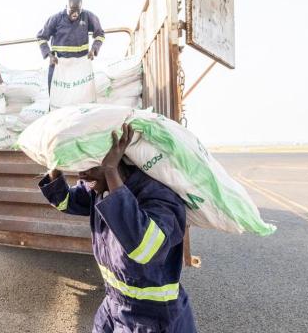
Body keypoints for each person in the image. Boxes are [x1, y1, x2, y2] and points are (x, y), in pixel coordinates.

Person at [38, 124, 196, 333]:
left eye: (91, 167)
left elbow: (146, 248)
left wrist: (110, 171)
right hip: (114, 306)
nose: (82, 175)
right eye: (81, 167)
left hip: (153, 319)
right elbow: (65, 201)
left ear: (117, 158)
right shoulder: (98, 188)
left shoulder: (159, 196)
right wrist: (54, 164)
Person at [36, 0, 105, 91]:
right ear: (66, 7)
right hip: (59, 64)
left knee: (80, 94)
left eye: (78, 11)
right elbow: (41, 37)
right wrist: (49, 55)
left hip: (80, 64)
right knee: (57, 95)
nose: (75, 14)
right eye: (72, 11)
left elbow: (100, 34)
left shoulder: (87, 16)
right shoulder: (56, 19)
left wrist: (94, 49)